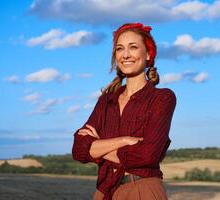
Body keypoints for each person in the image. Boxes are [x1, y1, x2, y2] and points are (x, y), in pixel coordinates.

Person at [72, 22, 176, 200]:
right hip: (104, 192)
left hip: (142, 190)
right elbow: (79, 150)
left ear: (149, 54)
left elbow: (148, 155)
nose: (126, 54)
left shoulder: (161, 98)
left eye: (133, 47)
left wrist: (99, 147)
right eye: (120, 49)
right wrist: (124, 141)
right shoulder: (106, 101)